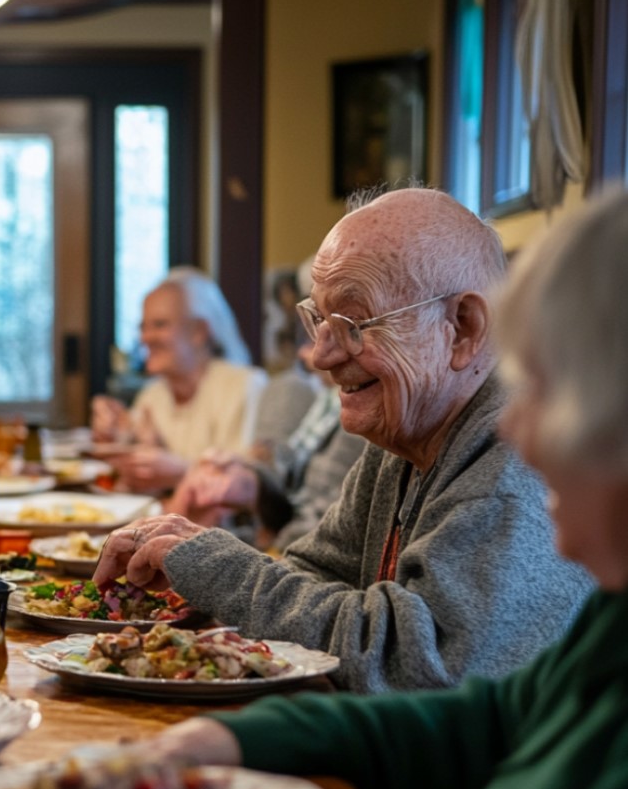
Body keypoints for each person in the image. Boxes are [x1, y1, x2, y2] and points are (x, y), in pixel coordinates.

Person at [137, 188, 628, 789]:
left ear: (465, 332)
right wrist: (243, 739)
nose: (518, 430)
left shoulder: (498, 463)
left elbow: (422, 664)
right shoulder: (613, 623)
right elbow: (488, 718)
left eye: (540, 388)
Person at [94, 188, 594, 694]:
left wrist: (222, 572)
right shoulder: (403, 436)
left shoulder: (519, 465)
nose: (321, 356)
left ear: (462, 328)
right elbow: (316, 573)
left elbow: (418, 668)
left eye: (353, 324)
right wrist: (198, 572)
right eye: (319, 320)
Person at [167, 340, 364, 550]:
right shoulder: (321, 398)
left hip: (296, 546)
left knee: (288, 387)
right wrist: (248, 480)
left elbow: (319, 531)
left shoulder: (356, 417)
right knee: (285, 386)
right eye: (310, 338)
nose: (307, 354)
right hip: (278, 529)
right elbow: (283, 474)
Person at [90, 267, 268, 495]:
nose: (145, 338)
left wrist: (181, 471)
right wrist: (114, 435)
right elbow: (127, 469)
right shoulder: (153, 393)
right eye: (143, 327)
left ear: (199, 332)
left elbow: (249, 484)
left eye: (160, 325)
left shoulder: (245, 386)